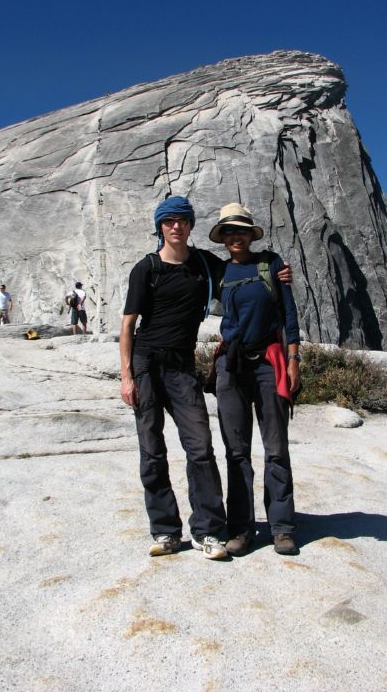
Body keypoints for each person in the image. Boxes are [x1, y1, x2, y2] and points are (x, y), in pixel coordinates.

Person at [120, 196, 230, 560]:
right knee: (152, 451)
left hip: (182, 366)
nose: (176, 226)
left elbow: (241, 273)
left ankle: (208, 530)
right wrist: (127, 376)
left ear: (191, 225)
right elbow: (128, 325)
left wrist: (274, 270)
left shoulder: (204, 264)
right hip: (147, 363)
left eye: (182, 220)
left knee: (200, 446)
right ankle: (166, 531)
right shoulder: (146, 268)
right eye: (169, 221)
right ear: (160, 227)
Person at [208, 202, 301, 556]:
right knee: (236, 452)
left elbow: (289, 314)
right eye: (229, 231)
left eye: (241, 230)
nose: (236, 236)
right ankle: (242, 529)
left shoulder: (272, 264)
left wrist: (293, 359)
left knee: (276, 448)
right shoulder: (217, 271)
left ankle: (281, 527)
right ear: (223, 238)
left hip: (268, 362)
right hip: (231, 367)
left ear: (251, 234)